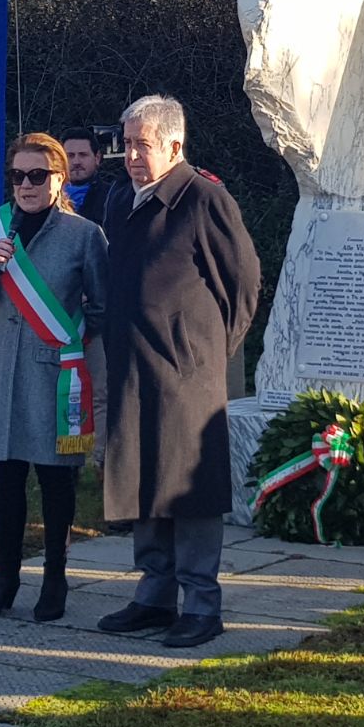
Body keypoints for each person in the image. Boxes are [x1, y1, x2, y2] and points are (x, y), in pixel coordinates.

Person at [96, 95, 260, 648]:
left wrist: (204, 350)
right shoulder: (121, 199)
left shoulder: (204, 199)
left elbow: (242, 286)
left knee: (188, 485)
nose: (132, 156)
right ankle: (154, 594)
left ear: (174, 144)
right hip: (133, 366)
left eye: (143, 144)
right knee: (143, 474)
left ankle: (202, 604)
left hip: (186, 372)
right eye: (127, 144)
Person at [0, 133, 108, 622]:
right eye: (18, 176)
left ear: (59, 179)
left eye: (37, 176)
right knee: (6, 482)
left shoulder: (84, 235)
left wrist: (74, 337)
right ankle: (5, 579)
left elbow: (102, 306)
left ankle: (55, 578)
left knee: (58, 483)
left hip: (53, 377)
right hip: (0, 373)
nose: (26, 185)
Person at [61, 126, 114, 228]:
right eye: (70, 156)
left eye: (83, 155)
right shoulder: (46, 197)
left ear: (97, 158)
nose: (76, 162)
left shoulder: (113, 197)